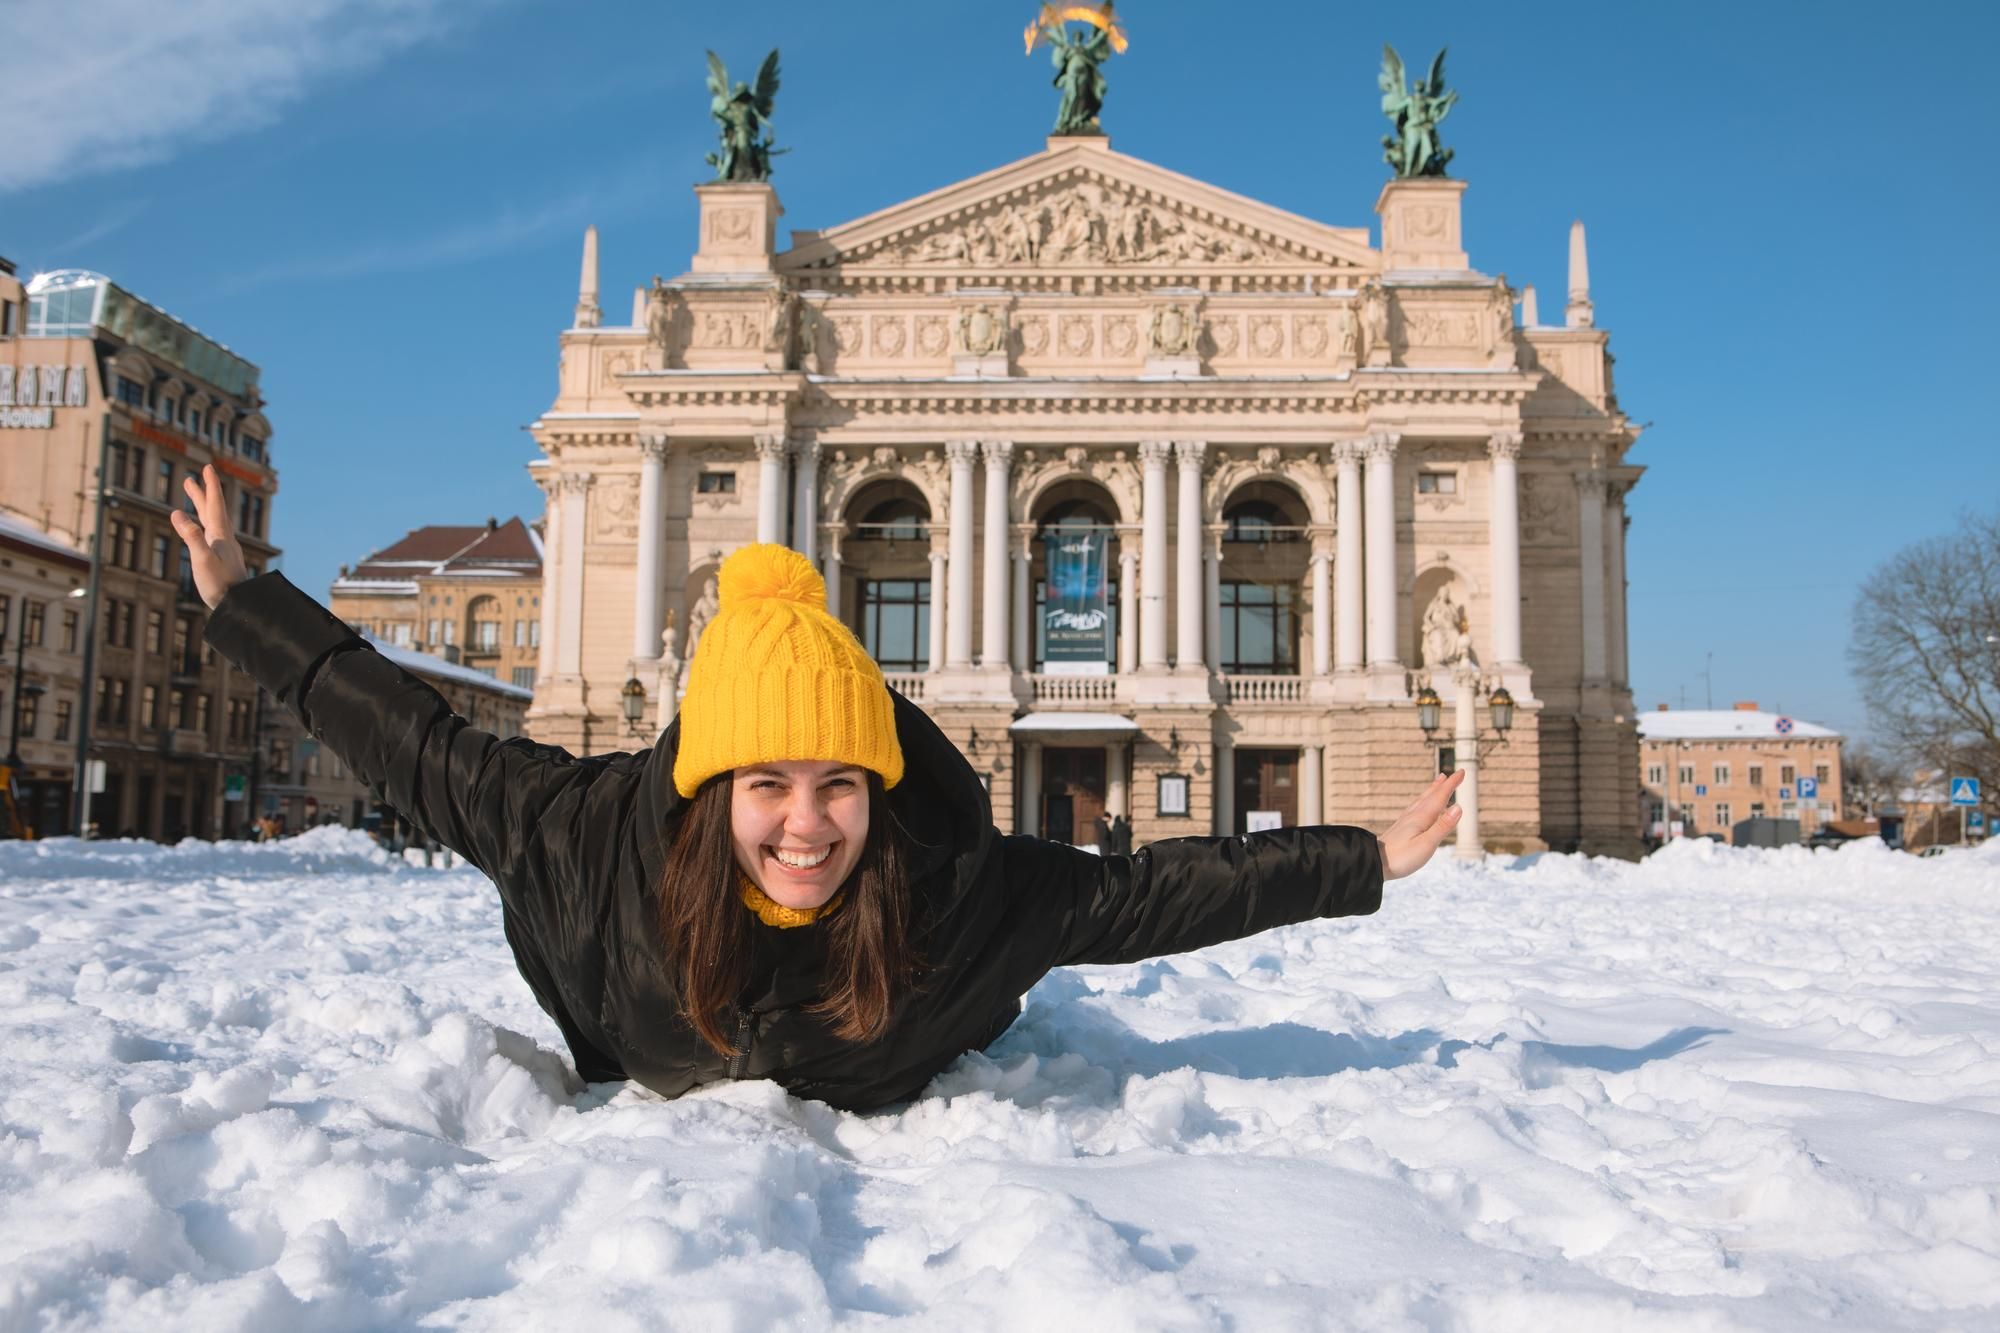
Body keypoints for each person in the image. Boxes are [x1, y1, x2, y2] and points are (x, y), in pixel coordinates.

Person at [171, 464, 1463, 1111]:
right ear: (709, 784)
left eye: (841, 782)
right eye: (769, 782)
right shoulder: (584, 844)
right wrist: (248, 608)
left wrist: (1366, 859)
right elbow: (408, 736)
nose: (807, 822)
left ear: (881, 787)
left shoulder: (960, 900)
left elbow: (1157, 891)